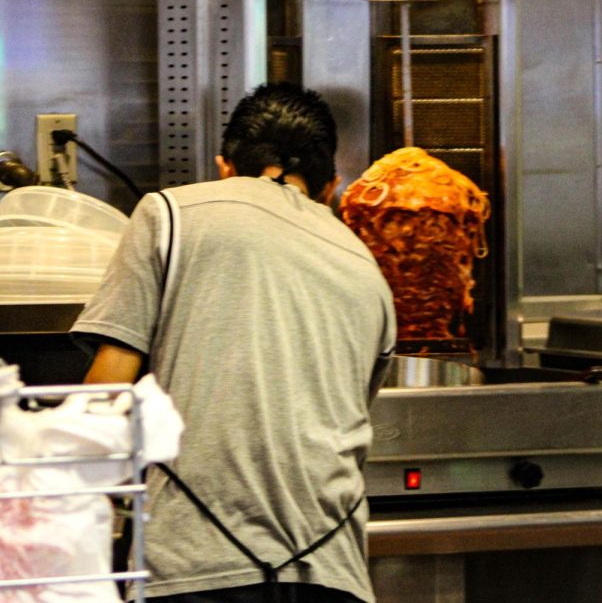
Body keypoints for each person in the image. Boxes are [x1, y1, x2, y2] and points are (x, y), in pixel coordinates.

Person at [73, 82, 396, 603]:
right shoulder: (368, 269)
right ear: (331, 187)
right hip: (334, 576)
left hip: (195, 567)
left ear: (224, 167)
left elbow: (104, 398)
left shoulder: (169, 214)